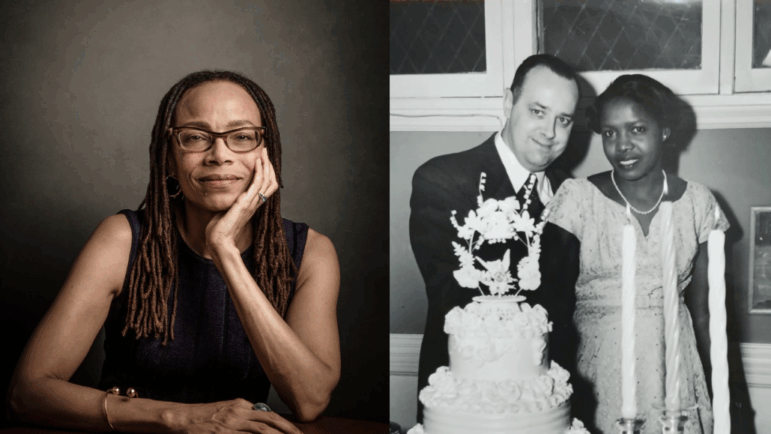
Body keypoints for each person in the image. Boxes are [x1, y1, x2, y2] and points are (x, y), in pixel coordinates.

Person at [7, 71, 341, 434]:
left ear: (267, 152)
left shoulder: (310, 253)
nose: (219, 155)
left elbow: (309, 401)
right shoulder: (122, 240)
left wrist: (224, 249)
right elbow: (27, 393)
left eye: (242, 137)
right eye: (196, 137)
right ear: (168, 157)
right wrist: (177, 418)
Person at [546, 74, 728, 434]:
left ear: (663, 131)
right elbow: (552, 307)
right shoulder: (576, 199)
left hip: (675, 372)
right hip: (595, 374)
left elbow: (706, 313)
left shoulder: (699, 203)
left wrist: (719, 392)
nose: (622, 145)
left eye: (637, 129)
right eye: (610, 133)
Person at [409, 54, 582, 422]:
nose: (550, 132)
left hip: (549, 408)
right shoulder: (443, 179)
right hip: (469, 411)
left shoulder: (574, 193)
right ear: (508, 102)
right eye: (538, 111)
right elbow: (456, 298)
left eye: (563, 120)